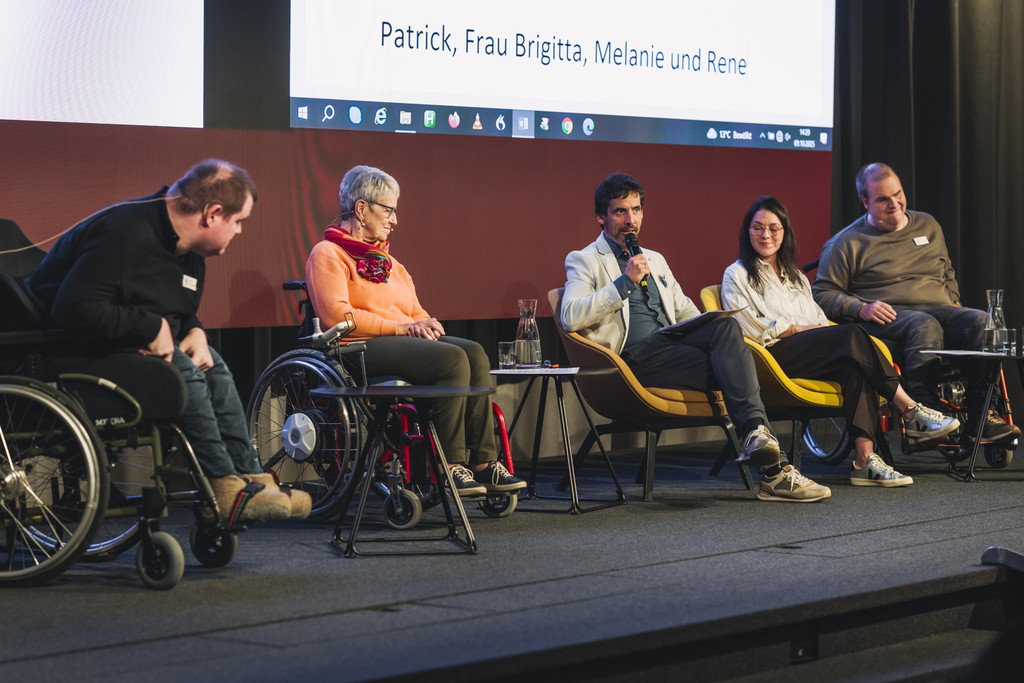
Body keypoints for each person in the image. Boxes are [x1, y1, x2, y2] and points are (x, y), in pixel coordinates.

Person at [25, 159, 311, 524]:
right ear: (213, 214)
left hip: (117, 348)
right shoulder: (123, 233)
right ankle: (223, 488)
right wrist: (148, 327)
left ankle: (251, 479)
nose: (239, 232)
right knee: (184, 371)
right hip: (65, 353)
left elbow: (176, 308)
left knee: (214, 367)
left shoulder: (189, 253)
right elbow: (72, 307)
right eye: (238, 222)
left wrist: (195, 330)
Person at [561, 172, 830, 502]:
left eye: (636, 210)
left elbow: (686, 313)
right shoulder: (584, 259)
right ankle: (774, 468)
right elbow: (570, 315)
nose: (630, 220)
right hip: (633, 361)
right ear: (601, 217)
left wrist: (712, 325)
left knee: (726, 334)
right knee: (736, 368)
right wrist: (625, 283)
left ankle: (766, 455)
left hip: (672, 350)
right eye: (620, 212)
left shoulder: (655, 259)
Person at [305, 165, 526, 497]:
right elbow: (338, 316)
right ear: (362, 209)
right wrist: (401, 327)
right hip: (357, 347)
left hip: (397, 340)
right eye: (389, 210)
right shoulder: (328, 254)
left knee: (474, 353)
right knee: (452, 360)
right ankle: (449, 465)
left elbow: (413, 311)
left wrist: (426, 323)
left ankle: (483, 462)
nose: (395, 219)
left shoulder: (390, 264)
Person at [722, 196, 960, 486]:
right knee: (851, 333)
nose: (766, 235)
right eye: (758, 228)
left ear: (785, 233)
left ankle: (864, 461)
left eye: (774, 228)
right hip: (771, 357)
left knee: (854, 366)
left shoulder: (795, 276)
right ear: (747, 231)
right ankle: (910, 409)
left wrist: (817, 330)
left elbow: (819, 318)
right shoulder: (737, 274)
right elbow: (748, 326)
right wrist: (799, 329)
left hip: (808, 350)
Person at [812, 162, 1016, 443]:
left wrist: (954, 302)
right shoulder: (846, 243)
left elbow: (947, 272)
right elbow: (823, 293)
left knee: (982, 321)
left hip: (940, 308)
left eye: (898, 194)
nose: (894, 204)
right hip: (887, 317)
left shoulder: (928, 225)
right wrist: (861, 308)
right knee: (924, 325)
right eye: (883, 199)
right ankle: (925, 416)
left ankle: (983, 416)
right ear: (865, 202)